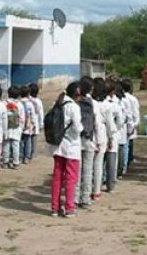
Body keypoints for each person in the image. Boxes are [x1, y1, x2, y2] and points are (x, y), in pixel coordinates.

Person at [50, 82, 83, 218]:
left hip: (58, 145)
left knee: (57, 177)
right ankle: (70, 207)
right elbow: (77, 127)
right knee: (71, 178)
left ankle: (55, 207)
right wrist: (82, 128)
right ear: (77, 95)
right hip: (72, 146)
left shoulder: (58, 103)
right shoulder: (74, 107)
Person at [75, 77, 96, 208]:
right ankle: (85, 198)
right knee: (87, 170)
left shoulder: (74, 103)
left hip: (77, 138)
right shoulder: (90, 102)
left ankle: (75, 197)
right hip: (88, 138)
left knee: (77, 170)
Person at [91, 77, 108, 201]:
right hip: (100, 135)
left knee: (86, 166)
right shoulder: (106, 105)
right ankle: (96, 190)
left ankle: (85, 190)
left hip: (88, 136)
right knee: (98, 165)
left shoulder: (88, 102)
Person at [2, 85, 24, 170]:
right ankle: (16, 163)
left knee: (6, 145)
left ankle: (5, 162)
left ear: (8, 93)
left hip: (6, 127)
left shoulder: (4, 103)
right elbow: (22, 118)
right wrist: (21, 127)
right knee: (16, 145)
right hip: (16, 127)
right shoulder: (20, 104)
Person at [121, 78, 140, 169]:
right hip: (130, 122)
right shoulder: (132, 99)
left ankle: (127, 160)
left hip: (124, 123)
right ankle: (127, 162)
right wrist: (136, 123)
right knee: (128, 144)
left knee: (125, 144)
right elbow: (135, 112)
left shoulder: (121, 97)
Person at [19, 85, 36, 164]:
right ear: (28, 94)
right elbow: (33, 115)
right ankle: (27, 157)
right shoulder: (30, 104)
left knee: (20, 142)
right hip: (28, 126)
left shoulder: (18, 103)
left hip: (20, 125)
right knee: (28, 141)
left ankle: (20, 156)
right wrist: (34, 124)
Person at [28, 83, 44, 161]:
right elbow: (41, 113)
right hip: (36, 122)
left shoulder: (27, 100)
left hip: (28, 122)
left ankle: (27, 154)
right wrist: (41, 124)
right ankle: (33, 154)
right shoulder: (38, 101)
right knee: (34, 139)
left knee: (28, 139)